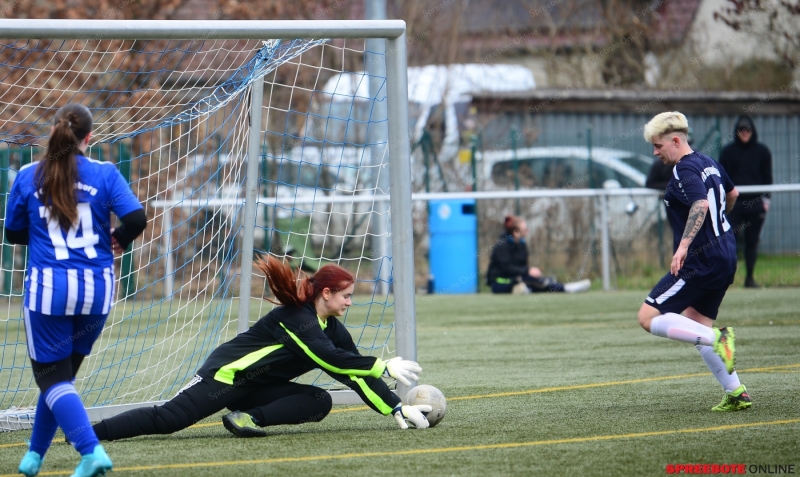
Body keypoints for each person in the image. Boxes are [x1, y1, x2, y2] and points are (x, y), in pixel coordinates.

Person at [89, 255, 431, 443]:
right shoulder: (298, 319)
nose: (350, 302)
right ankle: (89, 434)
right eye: (346, 296)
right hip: (227, 376)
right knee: (168, 420)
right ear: (325, 294)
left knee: (319, 401)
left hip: (258, 388)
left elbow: (351, 373)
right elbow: (330, 359)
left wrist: (395, 407)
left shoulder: (332, 329)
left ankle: (248, 419)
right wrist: (382, 365)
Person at [4, 104, 148, 477]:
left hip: (49, 292)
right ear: (89, 138)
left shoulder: (27, 175)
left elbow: (13, 232)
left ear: (54, 132)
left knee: (52, 380)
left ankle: (91, 451)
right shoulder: (105, 172)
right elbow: (136, 218)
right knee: (60, 382)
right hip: (97, 291)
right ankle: (34, 457)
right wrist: (117, 237)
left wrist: (41, 233)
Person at [638, 111, 750, 412]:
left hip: (701, 260)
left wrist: (684, 245)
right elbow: (733, 193)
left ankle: (719, 338)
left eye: (658, 145)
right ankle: (736, 391)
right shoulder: (709, 162)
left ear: (675, 140)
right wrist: (719, 224)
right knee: (696, 325)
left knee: (648, 317)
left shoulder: (683, 170)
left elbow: (700, 203)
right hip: (725, 254)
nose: (655, 152)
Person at [719, 115, 773, 288]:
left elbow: (767, 178)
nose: (745, 133)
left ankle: (749, 278)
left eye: (747, 129)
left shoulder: (762, 151)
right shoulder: (727, 152)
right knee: (729, 242)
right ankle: (727, 279)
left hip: (756, 203)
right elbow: (722, 178)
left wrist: (766, 201)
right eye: (741, 129)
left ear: (752, 131)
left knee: (752, 242)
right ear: (737, 131)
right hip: (733, 204)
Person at [486, 215, 591, 294]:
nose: (527, 231)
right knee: (533, 281)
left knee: (539, 281)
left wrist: (528, 272)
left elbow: (521, 267)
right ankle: (567, 288)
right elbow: (507, 269)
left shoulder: (522, 245)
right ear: (516, 232)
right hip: (500, 283)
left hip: (517, 279)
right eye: (525, 229)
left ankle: (525, 288)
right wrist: (528, 271)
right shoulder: (501, 246)